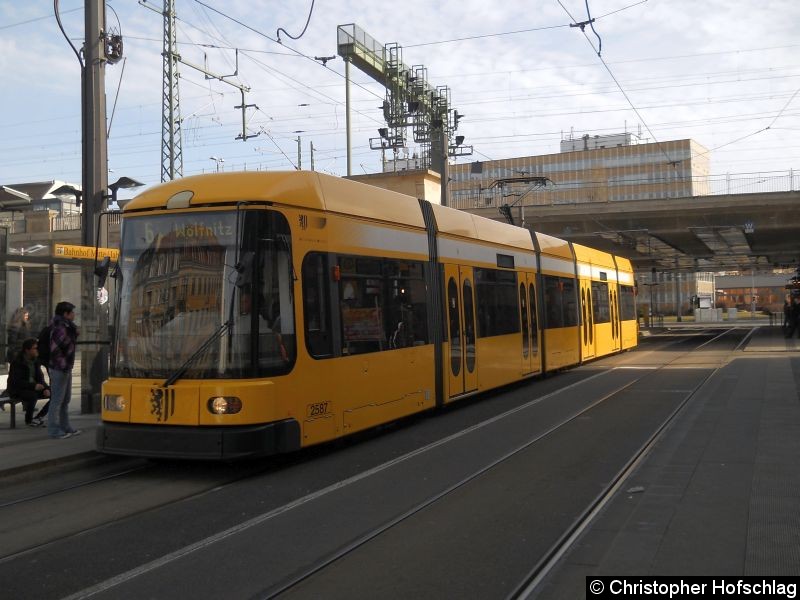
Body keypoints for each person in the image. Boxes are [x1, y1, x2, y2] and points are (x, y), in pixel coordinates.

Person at [47, 301, 81, 439]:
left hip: (65, 367)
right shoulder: (60, 327)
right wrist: (64, 366)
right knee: (57, 400)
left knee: (65, 400)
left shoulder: (68, 326)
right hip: (59, 368)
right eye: (72, 312)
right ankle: (54, 430)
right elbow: (55, 349)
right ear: (65, 314)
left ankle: (65, 426)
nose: (74, 314)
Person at [7, 337, 51, 426]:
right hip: (18, 389)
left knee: (54, 393)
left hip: (32, 387)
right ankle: (29, 420)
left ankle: (39, 417)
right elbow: (17, 381)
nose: (37, 350)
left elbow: (40, 378)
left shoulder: (35, 361)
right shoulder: (18, 362)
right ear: (27, 350)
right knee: (32, 395)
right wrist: (33, 386)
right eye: (35, 348)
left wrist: (45, 388)